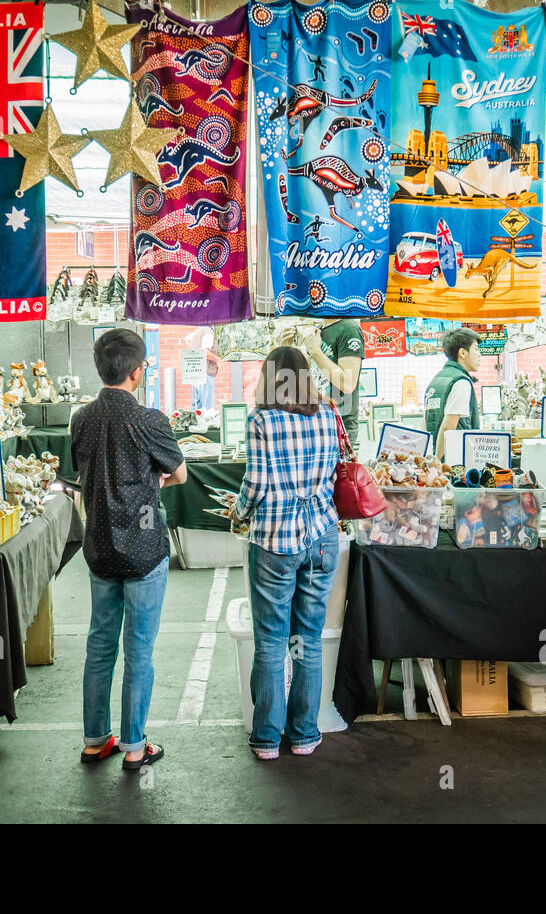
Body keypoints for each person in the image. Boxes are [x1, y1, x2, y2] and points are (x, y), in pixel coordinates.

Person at [71, 328, 187, 770]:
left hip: (99, 548)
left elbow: (82, 473)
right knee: (139, 648)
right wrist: (154, 478)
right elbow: (179, 474)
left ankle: (93, 740)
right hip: (143, 551)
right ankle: (135, 747)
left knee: (100, 644)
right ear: (138, 372)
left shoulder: (81, 418)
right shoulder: (150, 419)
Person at [231, 347, 341, 761]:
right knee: (307, 641)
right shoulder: (328, 413)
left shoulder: (261, 419)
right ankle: (304, 735)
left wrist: (238, 513)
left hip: (275, 540)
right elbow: (333, 471)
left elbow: (256, 483)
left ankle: (266, 739)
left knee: (272, 642)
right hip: (322, 534)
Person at [303, 318, 363, 446]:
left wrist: (315, 352)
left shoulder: (348, 329)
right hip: (315, 422)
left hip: (338, 426)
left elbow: (347, 383)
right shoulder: (319, 330)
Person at [424, 326, 481, 454]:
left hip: (432, 456)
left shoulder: (436, 380)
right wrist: (437, 463)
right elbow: (448, 428)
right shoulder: (461, 382)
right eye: (476, 349)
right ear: (462, 353)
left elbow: (425, 423)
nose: (479, 354)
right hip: (452, 462)